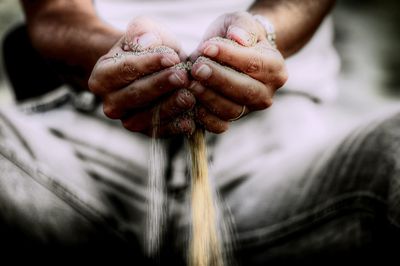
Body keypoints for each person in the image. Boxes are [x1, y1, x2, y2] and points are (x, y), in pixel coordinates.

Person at [1, 0, 399, 264]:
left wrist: (261, 34)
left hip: (275, 158)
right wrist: (113, 55)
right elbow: (54, 11)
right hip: (79, 158)